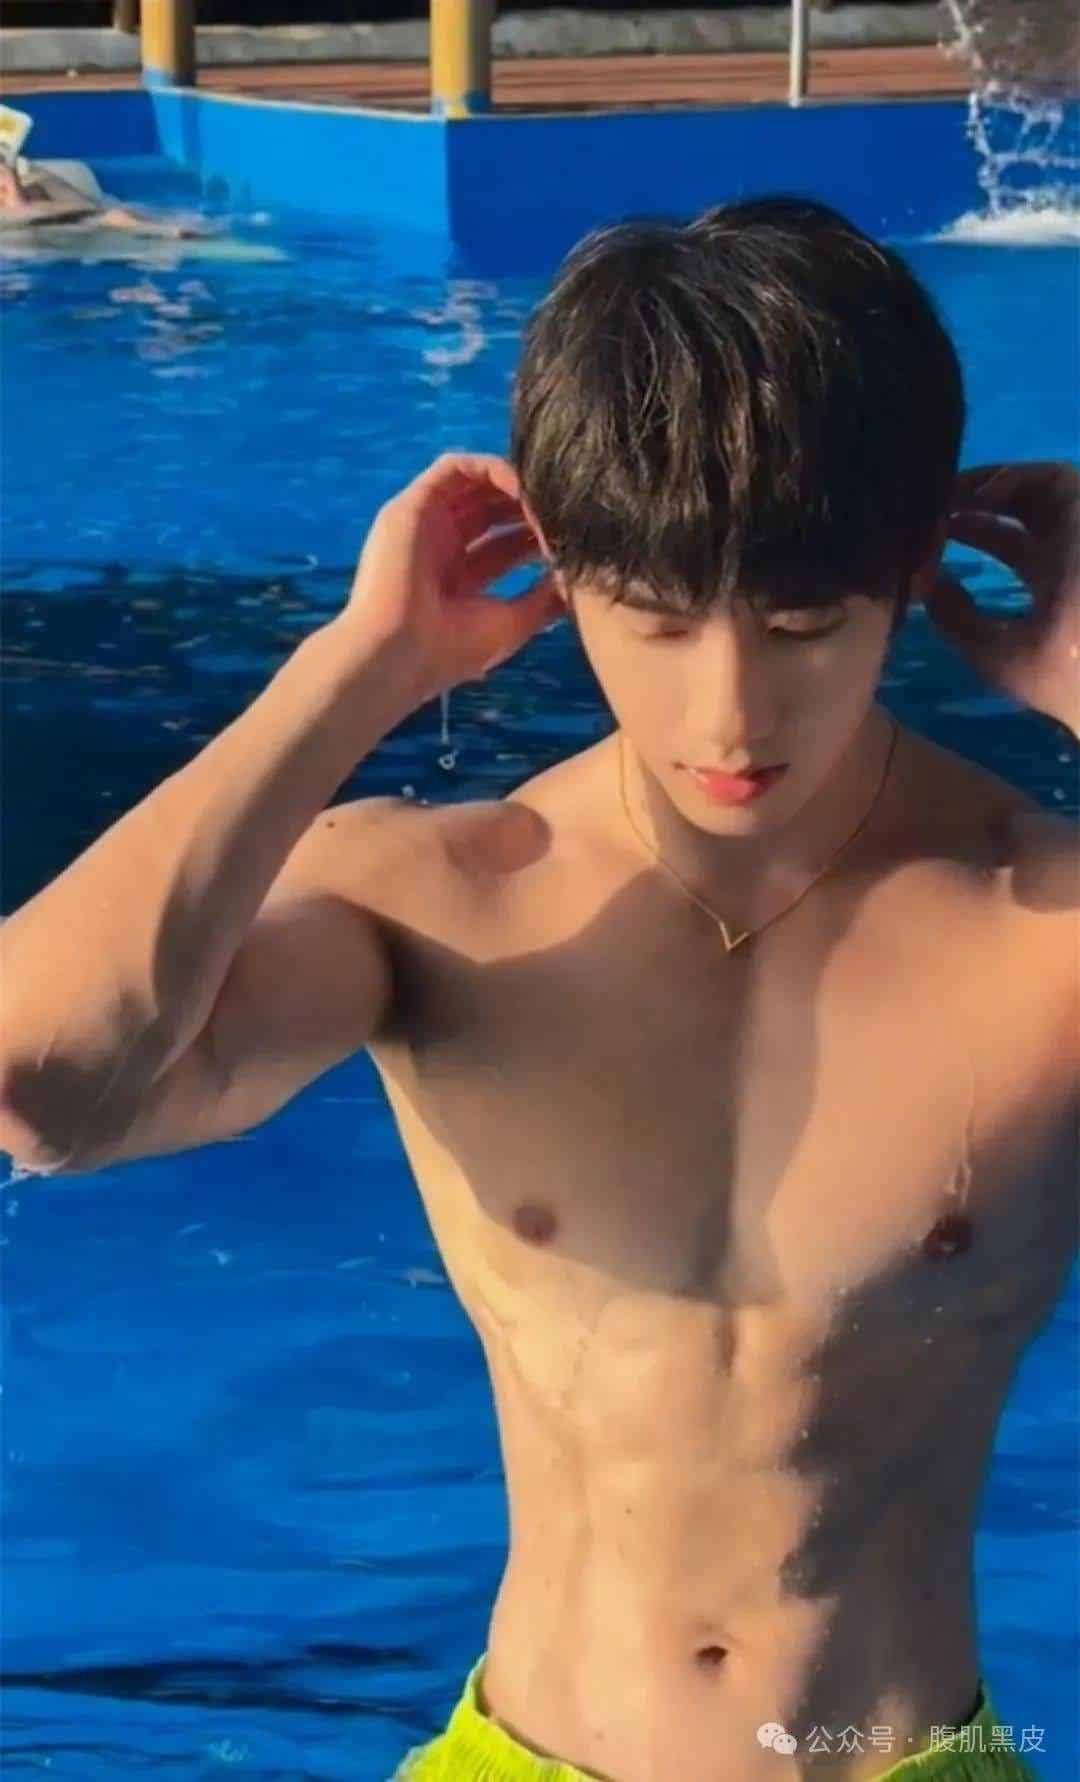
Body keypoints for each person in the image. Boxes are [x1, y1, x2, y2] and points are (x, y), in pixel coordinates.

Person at [1, 198, 1076, 1782]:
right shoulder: (440, 896)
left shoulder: (1042, 923)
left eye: (802, 625)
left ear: (915, 569)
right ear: (562, 574)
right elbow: (43, 1090)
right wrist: (356, 669)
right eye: (657, 623)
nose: (730, 712)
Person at [0, 156, 204, 238]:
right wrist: (12, 181)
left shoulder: (32, 184)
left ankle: (166, 228)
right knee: (114, 217)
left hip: (66, 215)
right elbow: (20, 210)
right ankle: (166, 229)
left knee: (116, 216)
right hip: (54, 218)